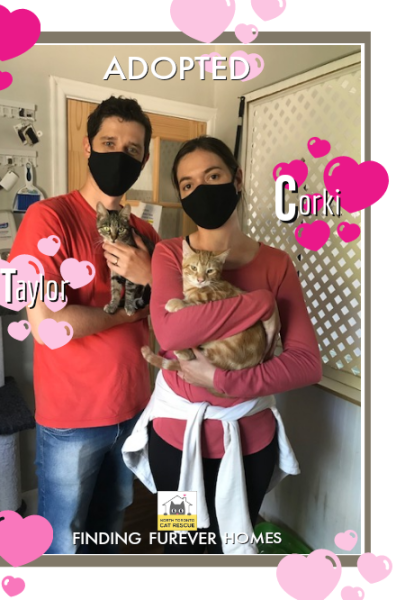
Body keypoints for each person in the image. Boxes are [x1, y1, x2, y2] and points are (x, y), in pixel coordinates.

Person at [122, 136, 322, 555]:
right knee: (180, 545)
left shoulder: (276, 264)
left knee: (231, 546)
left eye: (213, 176)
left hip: (249, 444)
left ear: (237, 178)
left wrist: (222, 381)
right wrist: (259, 303)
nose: (201, 190)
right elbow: (172, 334)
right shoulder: (169, 255)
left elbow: (306, 363)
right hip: (175, 443)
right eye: (188, 184)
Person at [8, 96, 160, 554]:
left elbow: (170, 311)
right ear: (87, 146)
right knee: (64, 539)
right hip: (73, 417)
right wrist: (129, 313)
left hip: (133, 406)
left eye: (132, 149)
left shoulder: (146, 235)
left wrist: (153, 283)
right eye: (109, 143)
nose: (120, 155)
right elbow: (47, 323)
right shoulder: (48, 218)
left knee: (111, 521)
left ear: (143, 160)